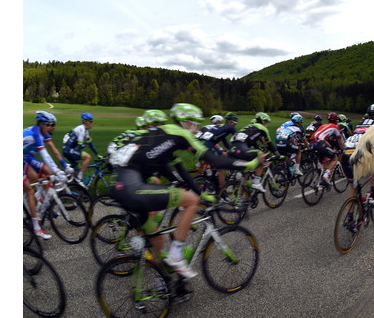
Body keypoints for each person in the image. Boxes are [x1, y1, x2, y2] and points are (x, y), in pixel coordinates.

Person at [107, 103, 266, 279]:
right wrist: (251, 164)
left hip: (119, 186)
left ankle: (164, 283)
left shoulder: (163, 136)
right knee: (190, 200)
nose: (197, 129)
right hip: (132, 188)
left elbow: (183, 173)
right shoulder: (180, 133)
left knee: (158, 240)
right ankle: (176, 255)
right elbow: (216, 161)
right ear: (187, 123)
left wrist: (203, 193)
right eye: (196, 124)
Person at [23, 111, 68, 239]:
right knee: (30, 190)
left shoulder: (44, 133)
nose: (53, 127)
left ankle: (32, 203)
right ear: (42, 124)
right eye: (50, 124)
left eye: (54, 124)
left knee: (36, 179)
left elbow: (53, 150)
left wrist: (64, 166)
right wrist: (57, 171)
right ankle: (36, 228)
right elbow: (45, 155)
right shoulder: (36, 134)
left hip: (25, 158)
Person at [228, 112, 279, 193]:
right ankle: (257, 181)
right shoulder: (262, 128)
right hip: (241, 147)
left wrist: (258, 148)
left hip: (233, 148)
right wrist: (277, 153)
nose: (267, 125)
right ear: (263, 122)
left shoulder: (249, 127)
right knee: (262, 156)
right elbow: (269, 144)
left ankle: (241, 198)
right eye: (266, 123)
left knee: (246, 174)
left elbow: (252, 142)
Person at [346, 104, 374, 208]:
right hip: (360, 154)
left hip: (346, 155)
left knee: (353, 189)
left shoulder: (360, 124)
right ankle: (372, 195)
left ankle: (350, 220)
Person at [195, 112, 240, 194]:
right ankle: (222, 192)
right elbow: (216, 143)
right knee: (221, 169)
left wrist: (226, 150)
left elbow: (223, 142)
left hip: (197, 146)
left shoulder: (210, 127)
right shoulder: (219, 127)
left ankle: (208, 177)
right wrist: (227, 151)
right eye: (221, 121)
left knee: (212, 162)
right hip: (205, 146)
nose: (222, 123)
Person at [62, 112, 102, 189]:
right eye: (90, 121)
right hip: (68, 150)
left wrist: (98, 154)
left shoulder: (86, 131)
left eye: (92, 121)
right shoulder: (81, 129)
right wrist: (85, 144)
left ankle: (77, 193)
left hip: (69, 150)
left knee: (78, 170)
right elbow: (79, 147)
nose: (91, 123)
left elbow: (91, 144)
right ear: (85, 121)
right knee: (88, 157)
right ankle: (79, 179)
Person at [309, 112, 345, 186]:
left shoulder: (323, 125)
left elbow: (324, 139)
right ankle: (326, 176)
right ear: (336, 121)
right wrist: (343, 149)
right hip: (320, 143)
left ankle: (320, 176)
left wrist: (330, 148)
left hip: (312, 143)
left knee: (325, 159)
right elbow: (340, 141)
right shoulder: (336, 127)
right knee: (335, 158)